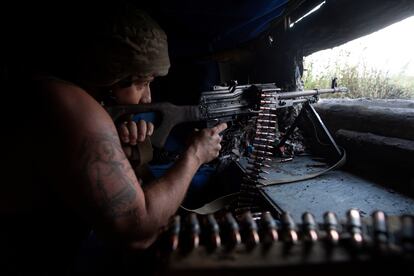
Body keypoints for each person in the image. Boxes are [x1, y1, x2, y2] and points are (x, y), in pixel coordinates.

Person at [1, 5, 226, 274]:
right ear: (111, 75)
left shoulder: (48, 89)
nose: (147, 98)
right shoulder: (72, 107)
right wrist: (195, 155)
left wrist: (125, 152)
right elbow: (137, 232)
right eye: (142, 83)